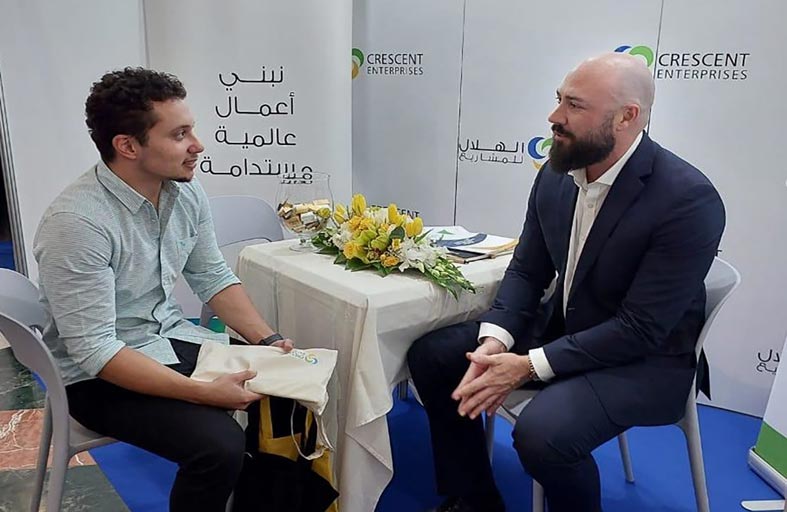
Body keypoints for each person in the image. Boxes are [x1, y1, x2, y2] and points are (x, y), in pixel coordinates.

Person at [407, 52, 725, 512]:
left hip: (647, 362)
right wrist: (496, 342)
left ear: (626, 117)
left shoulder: (688, 200)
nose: (554, 117)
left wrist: (527, 365)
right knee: (435, 356)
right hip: (568, 329)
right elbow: (527, 270)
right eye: (559, 99)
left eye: (574, 105)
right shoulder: (557, 174)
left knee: (542, 435)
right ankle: (475, 500)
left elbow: (640, 329)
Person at [33, 67, 293, 511]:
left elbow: (213, 276)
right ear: (128, 146)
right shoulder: (76, 225)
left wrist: (267, 341)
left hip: (168, 338)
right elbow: (97, 351)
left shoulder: (184, 193)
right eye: (179, 134)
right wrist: (205, 393)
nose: (198, 145)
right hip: (96, 378)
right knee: (218, 447)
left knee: (285, 393)